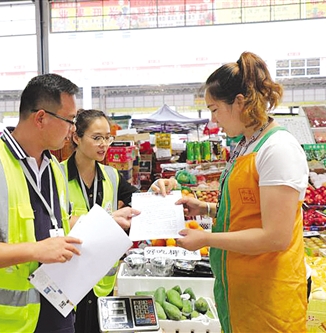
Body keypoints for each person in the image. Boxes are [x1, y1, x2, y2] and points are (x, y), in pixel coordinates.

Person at [174, 52, 308, 333]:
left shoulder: (278, 149)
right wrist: (206, 209)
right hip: (240, 292)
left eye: (214, 109)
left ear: (239, 102)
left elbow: (276, 236)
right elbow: (250, 209)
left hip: (270, 298)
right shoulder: (246, 144)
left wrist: (206, 238)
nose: (213, 120)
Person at [0, 73, 83, 333]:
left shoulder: (54, 168)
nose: (72, 129)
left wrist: (106, 224)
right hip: (5, 321)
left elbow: (57, 223)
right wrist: (35, 250)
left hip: (58, 309)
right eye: (69, 120)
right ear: (41, 118)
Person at [60, 109, 141, 333]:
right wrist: (107, 219)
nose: (104, 144)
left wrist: (159, 190)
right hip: (67, 282)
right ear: (76, 137)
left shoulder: (112, 177)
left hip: (100, 286)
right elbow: (57, 222)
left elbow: (140, 203)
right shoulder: (56, 176)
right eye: (97, 138)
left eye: (107, 137)